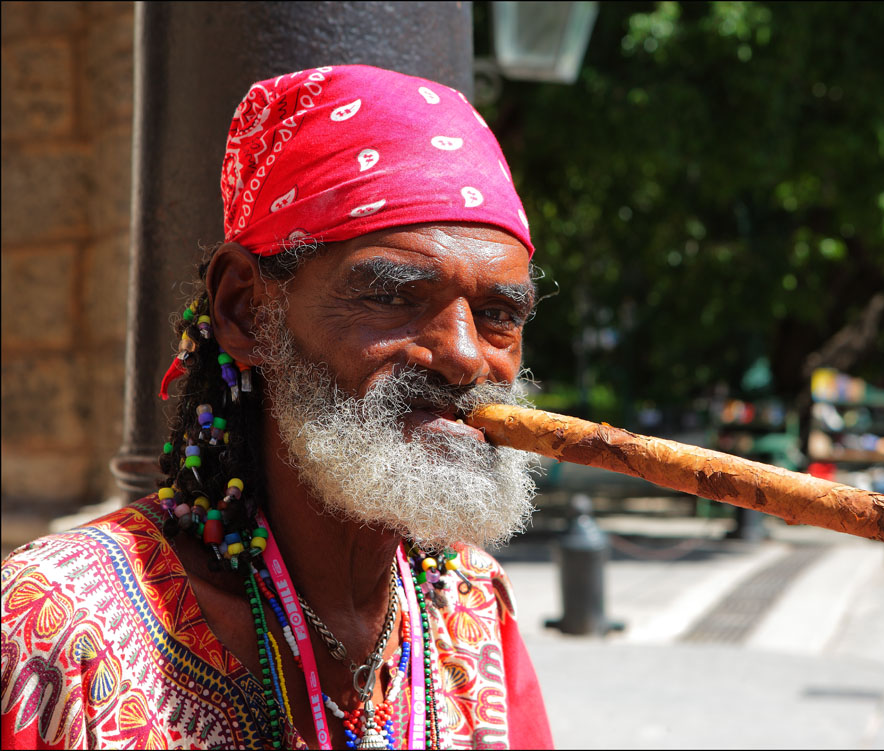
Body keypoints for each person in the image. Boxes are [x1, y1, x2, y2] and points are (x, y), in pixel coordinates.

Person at [2, 64, 553, 750]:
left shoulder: (469, 601)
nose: (466, 357)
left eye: (499, 313)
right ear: (245, 309)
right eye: (391, 295)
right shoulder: (53, 622)